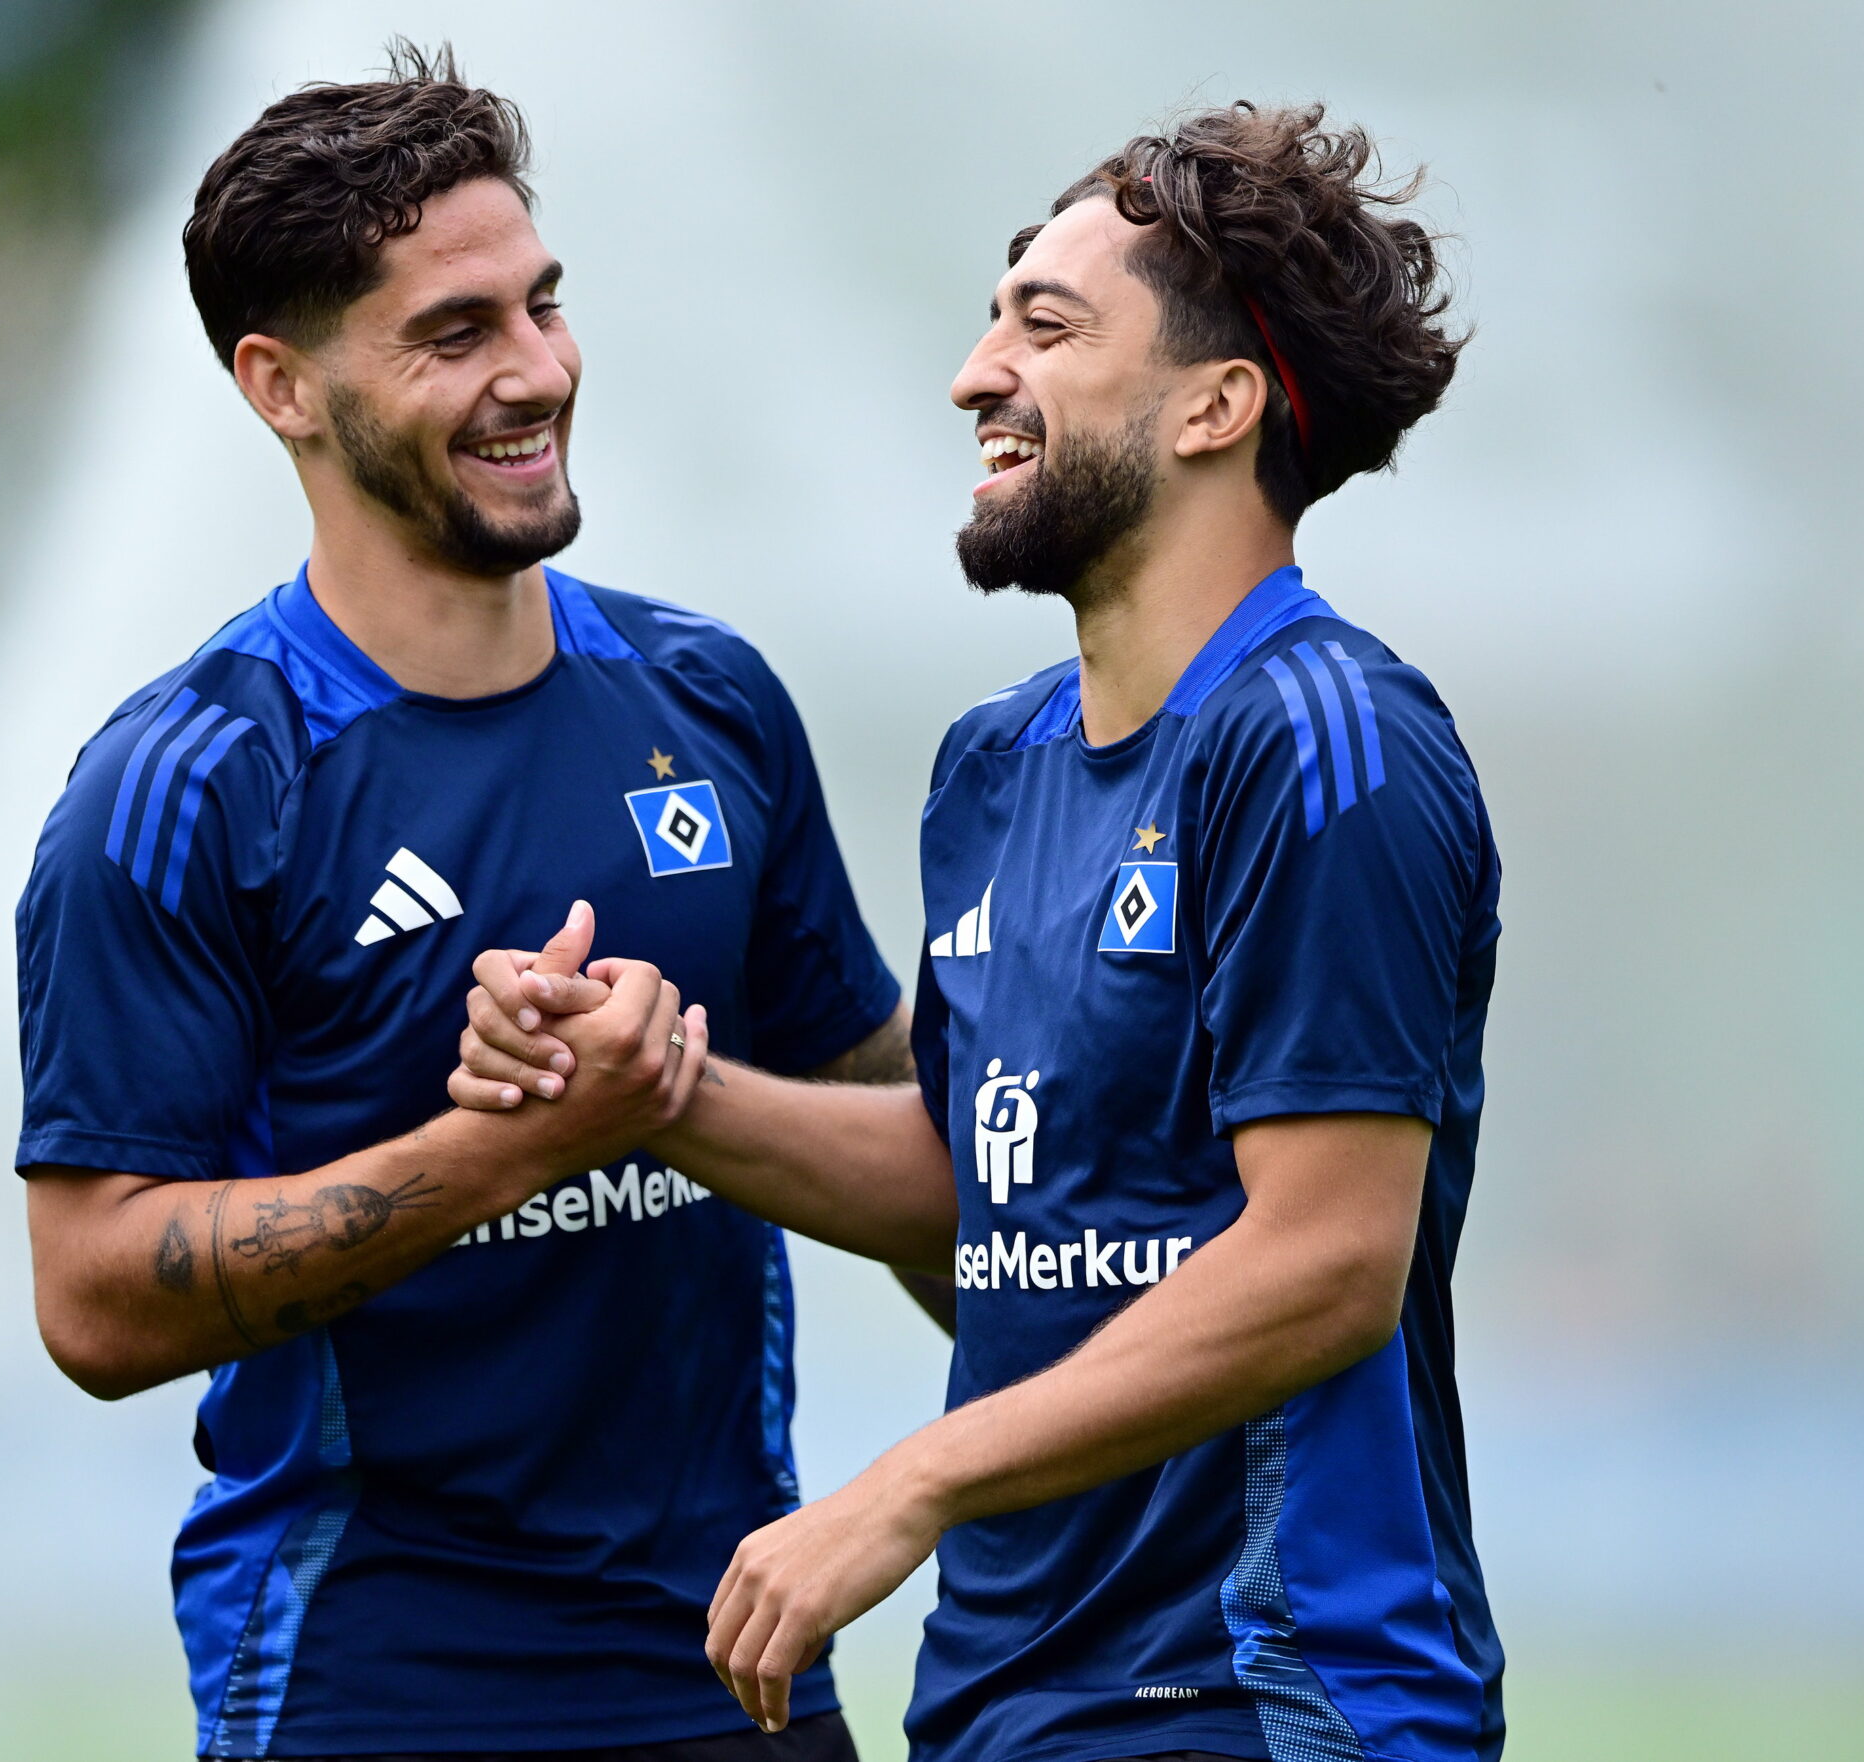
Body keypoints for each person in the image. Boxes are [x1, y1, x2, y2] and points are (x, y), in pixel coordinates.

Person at [453, 102, 1503, 1762]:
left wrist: (910, 1483)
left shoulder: (1322, 741)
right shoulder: (995, 764)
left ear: (1217, 406)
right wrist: (659, 1086)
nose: (973, 375)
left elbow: (1326, 1264)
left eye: (1047, 327)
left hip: (1262, 1697)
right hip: (1001, 1700)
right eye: (992, 318)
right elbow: (976, 1186)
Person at [14, 44, 912, 1761]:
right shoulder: (190, 784)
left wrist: (682, 1097)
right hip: (376, 1685)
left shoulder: (710, 701)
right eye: (454, 333)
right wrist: (501, 1150)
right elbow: (95, 1299)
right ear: (282, 386)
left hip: (743, 1667)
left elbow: (928, 1173)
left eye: (541, 304)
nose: (537, 371)